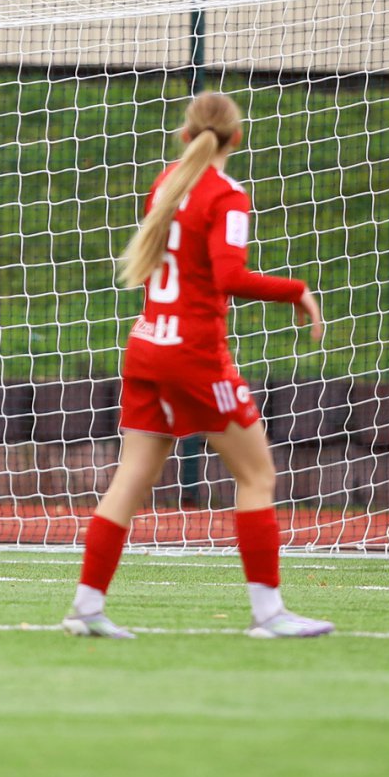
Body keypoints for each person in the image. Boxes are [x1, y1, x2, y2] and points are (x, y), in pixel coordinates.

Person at [61, 91, 332, 640]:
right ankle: (269, 615)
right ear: (237, 139)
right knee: (257, 476)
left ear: (187, 135)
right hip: (193, 355)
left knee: (131, 479)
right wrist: (296, 290)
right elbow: (229, 275)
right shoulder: (226, 195)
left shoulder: (167, 183)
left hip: (146, 344)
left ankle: (85, 609)